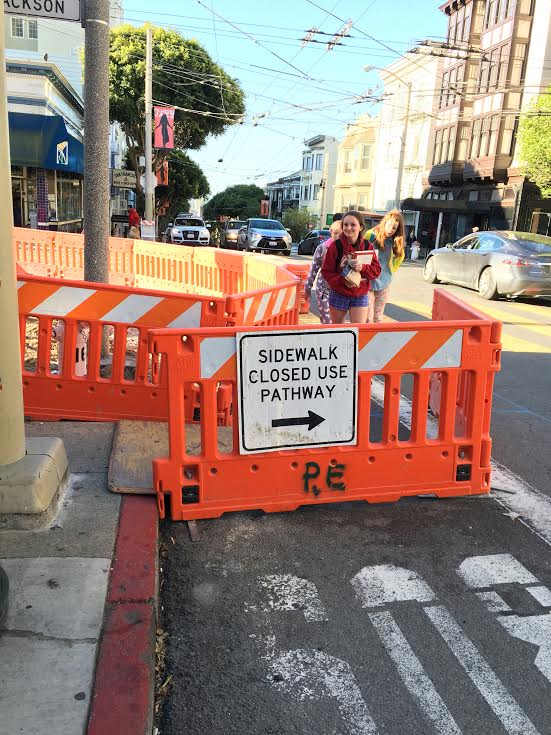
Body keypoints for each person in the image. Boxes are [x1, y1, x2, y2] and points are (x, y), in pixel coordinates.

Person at [321, 210, 381, 324]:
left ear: (361, 227)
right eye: (345, 225)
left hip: (360, 294)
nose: (349, 228)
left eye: (353, 225)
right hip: (339, 293)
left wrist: (362, 268)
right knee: (338, 332)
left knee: (358, 330)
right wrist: (343, 281)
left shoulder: (367, 246)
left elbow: (376, 271)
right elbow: (326, 271)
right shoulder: (336, 246)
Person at [365, 209, 405, 323]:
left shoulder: (396, 240)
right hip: (368, 281)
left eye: (394, 228)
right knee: (367, 317)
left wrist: (392, 271)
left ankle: (375, 340)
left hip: (384, 282)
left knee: (378, 317)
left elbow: (400, 256)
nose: (391, 230)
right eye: (389, 225)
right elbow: (361, 251)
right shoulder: (371, 235)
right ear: (385, 222)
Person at [304, 218, 343, 324]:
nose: (338, 236)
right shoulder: (322, 248)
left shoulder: (347, 248)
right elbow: (313, 270)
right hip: (324, 290)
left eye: (341, 234)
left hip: (340, 290)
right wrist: (307, 288)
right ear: (330, 232)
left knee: (338, 321)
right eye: (335, 233)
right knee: (326, 320)